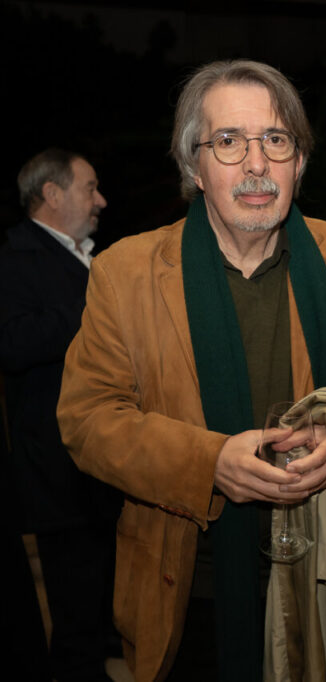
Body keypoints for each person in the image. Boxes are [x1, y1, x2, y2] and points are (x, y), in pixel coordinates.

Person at [56, 60, 326, 682]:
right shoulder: (125, 272)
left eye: (275, 139)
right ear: (194, 167)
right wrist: (208, 462)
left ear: (299, 161)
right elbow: (88, 419)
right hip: (191, 589)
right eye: (228, 142)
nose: (256, 164)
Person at [1, 148, 121, 682]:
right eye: (89, 188)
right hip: (59, 471)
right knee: (76, 626)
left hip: (110, 464)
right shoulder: (13, 258)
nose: (101, 200)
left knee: (110, 613)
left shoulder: (95, 256)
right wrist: (97, 311)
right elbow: (13, 343)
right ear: (52, 194)